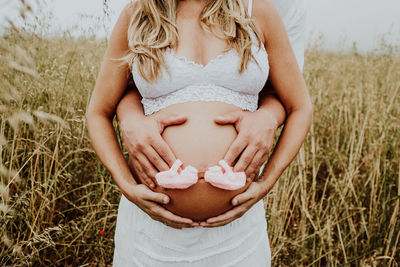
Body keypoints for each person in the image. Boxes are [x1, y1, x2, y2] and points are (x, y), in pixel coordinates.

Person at [86, 0, 312, 266]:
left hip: (236, 237)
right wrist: (126, 185)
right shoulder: (139, 13)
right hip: (150, 237)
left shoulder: (257, 11)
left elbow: (300, 106)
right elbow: (98, 111)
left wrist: (266, 182)